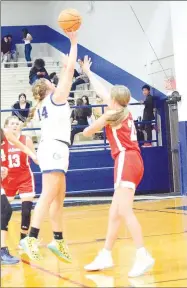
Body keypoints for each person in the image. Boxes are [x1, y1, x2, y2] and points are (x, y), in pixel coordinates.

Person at [82, 56, 155, 277]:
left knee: (123, 210)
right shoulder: (123, 111)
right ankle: (106, 253)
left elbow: (88, 132)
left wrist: (90, 126)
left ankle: (142, 254)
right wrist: (88, 72)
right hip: (133, 160)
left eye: (109, 98)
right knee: (114, 211)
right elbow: (102, 91)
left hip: (126, 159)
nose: (106, 98)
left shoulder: (111, 114)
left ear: (114, 100)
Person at [20, 31, 78, 262]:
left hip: (55, 147)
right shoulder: (55, 99)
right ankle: (31, 238)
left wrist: (65, 68)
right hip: (54, 147)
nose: (53, 81)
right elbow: (70, 73)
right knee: (49, 193)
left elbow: (67, 76)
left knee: (59, 195)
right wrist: (73, 43)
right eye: (48, 82)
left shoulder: (48, 101)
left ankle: (58, 239)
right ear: (45, 88)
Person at [1, 127, 37, 265]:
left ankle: (3, 250)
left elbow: (18, 144)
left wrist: (33, 155)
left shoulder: (5, 132)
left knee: (5, 211)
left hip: (15, 177)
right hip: (8, 180)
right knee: (4, 210)